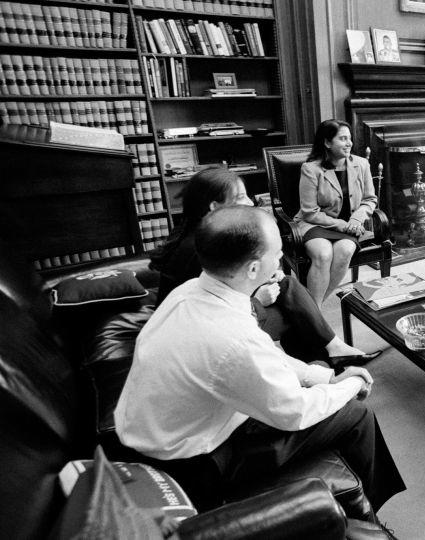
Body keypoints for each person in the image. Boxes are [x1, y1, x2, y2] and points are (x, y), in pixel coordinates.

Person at [116, 205, 405, 515]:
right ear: (253, 270)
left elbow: (262, 354)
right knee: (355, 414)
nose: (282, 260)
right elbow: (294, 411)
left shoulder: (189, 292)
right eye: (278, 252)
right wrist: (351, 382)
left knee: (319, 374)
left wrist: (321, 378)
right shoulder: (232, 337)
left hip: (159, 433)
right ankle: (369, 518)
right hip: (191, 466)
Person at [150, 167, 380, 365]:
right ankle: (325, 359)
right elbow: (212, 313)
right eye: (241, 197)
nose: (250, 203)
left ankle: (326, 359)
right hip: (197, 337)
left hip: (212, 318)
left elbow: (226, 285)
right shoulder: (198, 249)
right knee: (294, 312)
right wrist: (257, 299)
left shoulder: (208, 236)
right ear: (214, 207)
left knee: (288, 288)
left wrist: (264, 277)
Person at [295, 120, 378, 306]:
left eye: (349, 138)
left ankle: (313, 310)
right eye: (342, 138)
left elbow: (370, 199)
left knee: (345, 250)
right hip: (316, 224)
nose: (349, 143)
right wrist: (344, 225)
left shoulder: (362, 164)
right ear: (327, 142)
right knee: (323, 254)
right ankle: (314, 314)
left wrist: (357, 219)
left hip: (350, 225)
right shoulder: (311, 169)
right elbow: (310, 212)